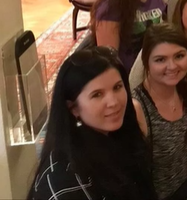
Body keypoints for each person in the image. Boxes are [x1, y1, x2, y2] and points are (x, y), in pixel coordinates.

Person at [28, 47, 156, 200]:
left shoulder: (118, 135)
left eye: (117, 87)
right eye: (97, 95)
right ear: (73, 108)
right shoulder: (66, 181)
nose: (114, 102)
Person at [131, 23, 187, 199]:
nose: (172, 66)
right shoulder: (137, 107)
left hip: (186, 190)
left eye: (179, 56)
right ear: (146, 61)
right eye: (160, 59)